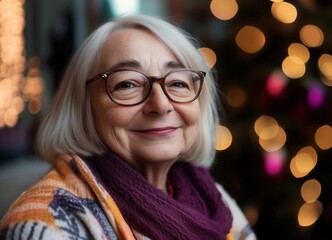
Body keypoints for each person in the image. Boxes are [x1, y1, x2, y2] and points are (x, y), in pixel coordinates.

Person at [0, 14, 256, 240]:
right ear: (83, 106)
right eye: (127, 84)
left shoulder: (211, 197)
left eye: (178, 83)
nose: (161, 105)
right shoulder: (43, 225)